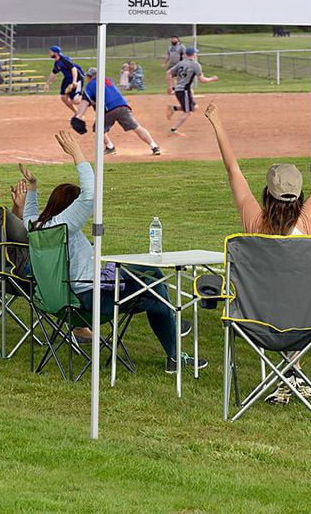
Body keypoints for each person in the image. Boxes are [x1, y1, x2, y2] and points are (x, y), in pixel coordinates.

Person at [205, 99, 311, 403]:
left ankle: (290, 378)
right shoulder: (309, 217)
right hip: (309, 320)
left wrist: (217, 123)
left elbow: (232, 170)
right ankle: (292, 377)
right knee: (294, 296)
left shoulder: (254, 221)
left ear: (267, 193)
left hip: (256, 318)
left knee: (282, 296)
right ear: (300, 194)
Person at [31, 131, 203, 373]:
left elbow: (28, 215)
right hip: (89, 299)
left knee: (150, 274)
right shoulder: (65, 227)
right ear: (70, 209)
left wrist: (31, 190)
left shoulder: (38, 229)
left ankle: (172, 336)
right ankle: (174, 353)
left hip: (62, 298)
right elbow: (90, 194)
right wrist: (77, 153)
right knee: (156, 291)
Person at [74, 67, 161, 156]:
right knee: (136, 127)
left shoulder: (91, 84)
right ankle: (154, 146)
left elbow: (85, 102)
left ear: (90, 76)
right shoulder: (109, 80)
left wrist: (78, 116)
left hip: (109, 110)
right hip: (123, 106)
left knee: (98, 129)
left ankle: (110, 147)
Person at [165, 47, 218, 133]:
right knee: (187, 112)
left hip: (181, 90)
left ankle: (173, 108)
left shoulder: (181, 63)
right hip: (184, 90)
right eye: (195, 53)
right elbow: (202, 80)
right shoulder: (195, 65)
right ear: (193, 55)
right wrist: (212, 79)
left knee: (194, 107)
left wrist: (170, 87)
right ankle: (173, 130)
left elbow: (168, 73)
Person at [46, 46, 85, 114]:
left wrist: (74, 82)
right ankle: (77, 113)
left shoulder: (64, 60)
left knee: (75, 101)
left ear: (56, 53)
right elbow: (54, 72)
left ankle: (90, 97)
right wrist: (47, 83)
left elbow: (74, 69)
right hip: (67, 79)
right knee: (63, 97)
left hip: (77, 78)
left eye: (50, 52)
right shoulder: (57, 62)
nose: (49, 53)